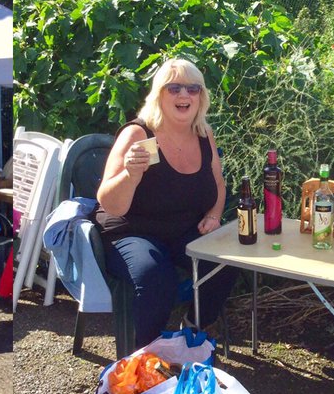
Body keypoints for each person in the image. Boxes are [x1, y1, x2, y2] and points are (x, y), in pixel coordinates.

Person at [95, 56, 237, 350]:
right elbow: (109, 203)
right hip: (131, 230)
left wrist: (213, 215)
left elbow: (218, 184)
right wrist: (131, 175)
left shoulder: (203, 134)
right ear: (159, 94)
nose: (184, 95)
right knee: (156, 277)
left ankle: (192, 330)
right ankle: (145, 356)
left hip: (182, 229)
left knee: (226, 261)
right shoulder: (139, 134)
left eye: (193, 88)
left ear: (201, 97)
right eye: (174, 88)